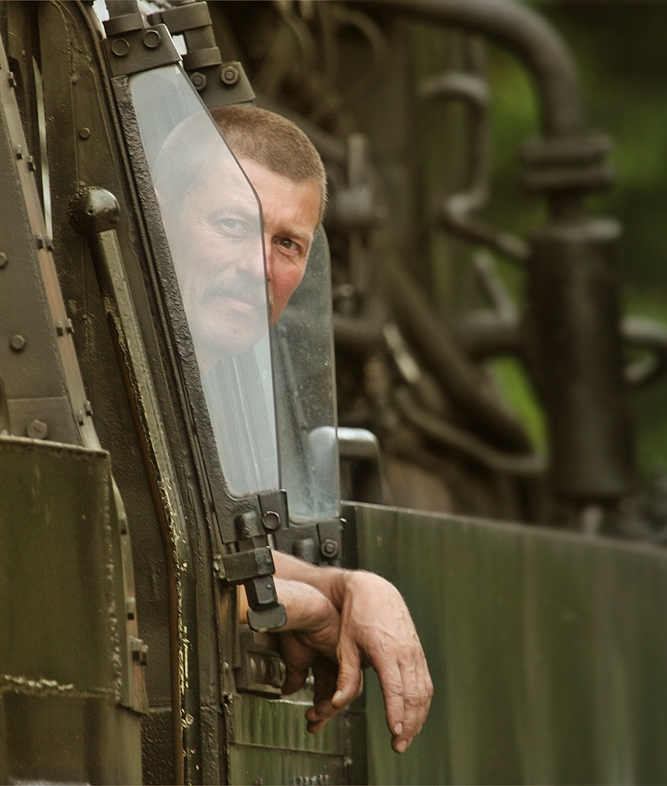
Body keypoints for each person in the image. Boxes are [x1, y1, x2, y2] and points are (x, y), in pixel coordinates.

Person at [155, 104, 431, 755]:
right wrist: (294, 604)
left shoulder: (200, 391)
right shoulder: (94, 371)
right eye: (232, 225)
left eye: (288, 243)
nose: (259, 265)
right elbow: (122, 573)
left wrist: (349, 585)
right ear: (157, 214)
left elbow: (203, 547)